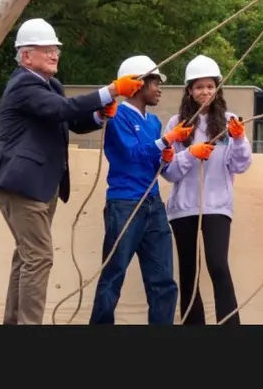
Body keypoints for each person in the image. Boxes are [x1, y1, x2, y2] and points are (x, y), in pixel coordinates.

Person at [0, 18, 144, 325]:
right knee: (39, 257)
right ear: (25, 56)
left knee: (27, 257)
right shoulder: (23, 84)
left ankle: (15, 322)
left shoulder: (50, 86)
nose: (54, 54)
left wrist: (100, 115)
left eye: (55, 49)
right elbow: (62, 110)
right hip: (23, 185)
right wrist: (111, 90)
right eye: (46, 49)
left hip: (38, 185)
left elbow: (72, 121)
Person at [89, 55, 195, 325]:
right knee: (113, 275)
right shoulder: (117, 115)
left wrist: (165, 156)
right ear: (138, 84)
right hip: (124, 205)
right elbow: (132, 154)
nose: (159, 88)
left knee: (163, 281)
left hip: (153, 204)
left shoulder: (154, 122)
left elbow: (152, 161)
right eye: (155, 83)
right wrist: (166, 142)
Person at [160, 54, 253, 325]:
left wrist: (237, 140)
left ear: (218, 89)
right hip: (183, 209)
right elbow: (169, 171)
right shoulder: (176, 124)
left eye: (210, 86)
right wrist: (190, 153)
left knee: (218, 266)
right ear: (189, 90)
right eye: (199, 87)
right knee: (189, 271)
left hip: (217, 207)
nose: (205, 92)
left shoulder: (230, 120)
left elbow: (240, 165)